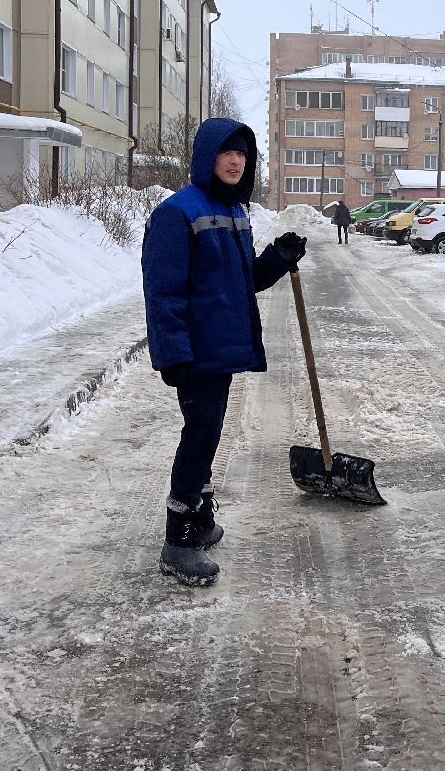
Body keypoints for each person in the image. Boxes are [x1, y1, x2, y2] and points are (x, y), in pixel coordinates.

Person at [142, 118, 308, 586]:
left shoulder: (235, 212)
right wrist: (173, 354)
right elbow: (163, 291)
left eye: (243, 153)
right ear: (206, 156)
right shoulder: (178, 213)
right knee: (200, 435)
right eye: (226, 152)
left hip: (219, 349)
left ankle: (201, 517)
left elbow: (243, 282)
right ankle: (178, 541)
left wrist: (277, 258)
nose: (236, 161)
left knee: (209, 432)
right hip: (195, 353)